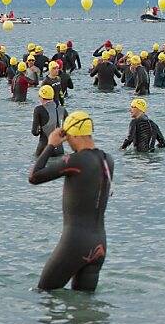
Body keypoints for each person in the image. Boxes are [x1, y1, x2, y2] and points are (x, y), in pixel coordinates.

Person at [28, 111, 113, 291]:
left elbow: (34, 176)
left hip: (75, 243)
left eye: (67, 137)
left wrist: (51, 145)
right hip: (99, 245)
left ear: (73, 134)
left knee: (42, 294)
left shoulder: (76, 161)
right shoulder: (107, 160)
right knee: (85, 309)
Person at [32, 85, 66, 157]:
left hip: (43, 149)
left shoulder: (38, 109)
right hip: (59, 150)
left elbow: (34, 132)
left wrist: (41, 129)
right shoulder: (62, 109)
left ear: (41, 97)